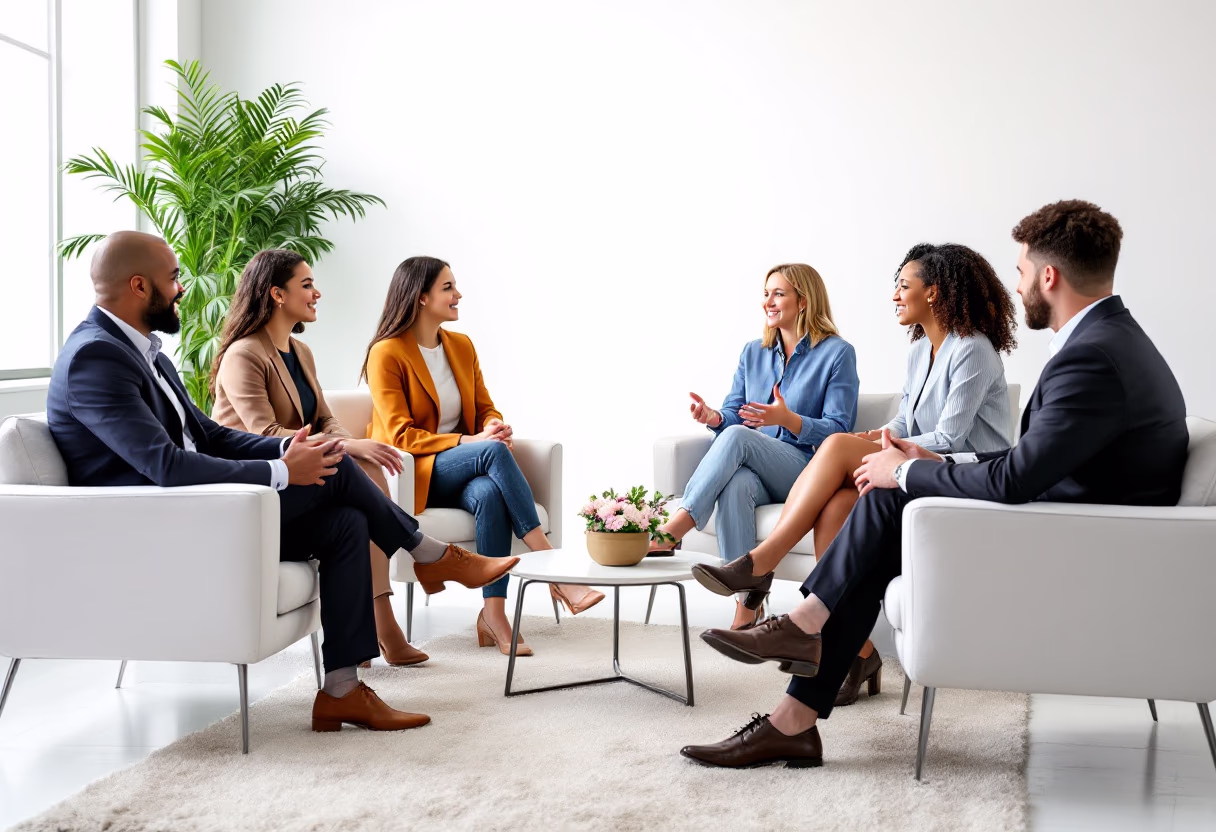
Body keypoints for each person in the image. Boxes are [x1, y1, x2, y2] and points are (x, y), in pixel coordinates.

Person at [681, 200, 1189, 769]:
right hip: (1071, 526)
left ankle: (799, 636)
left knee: (885, 494)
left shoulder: (1092, 357)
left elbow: (1019, 472)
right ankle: (793, 712)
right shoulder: (1108, 342)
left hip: (1068, 543)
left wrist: (907, 468)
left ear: (1050, 276)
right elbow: (1033, 462)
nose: (1017, 286)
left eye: (1021, 272)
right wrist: (906, 462)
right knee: (878, 504)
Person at [46, 231, 519, 733]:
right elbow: (164, 465)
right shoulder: (96, 358)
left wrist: (288, 452)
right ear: (139, 286)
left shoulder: (148, 353)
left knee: (345, 522)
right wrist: (281, 469)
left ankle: (342, 689)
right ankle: (428, 553)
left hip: (210, 509)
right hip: (164, 525)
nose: (182, 287)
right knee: (337, 478)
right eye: (173, 278)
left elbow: (208, 434)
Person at [690, 243, 1017, 703]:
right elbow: (907, 423)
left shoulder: (973, 350)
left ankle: (760, 564)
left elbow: (952, 437)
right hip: (916, 471)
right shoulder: (921, 350)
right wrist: (878, 436)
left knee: (837, 443)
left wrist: (876, 447)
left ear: (936, 293)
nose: (895, 296)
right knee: (836, 508)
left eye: (904, 286)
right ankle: (858, 652)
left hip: (961, 480)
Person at [362, 256, 604, 656]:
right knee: (490, 453)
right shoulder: (387, 353)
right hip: (418, 471)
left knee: (489, 495)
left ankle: (494, 616)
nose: (458, 295)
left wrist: (492, 427)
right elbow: (401, 434)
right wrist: (473, 442)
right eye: (448, 288)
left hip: (466, 467)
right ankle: (553, 570)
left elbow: (486, 407)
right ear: (421, 298)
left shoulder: (461, 345)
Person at [211, 249, 426, 667]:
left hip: (304, 478)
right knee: (356, 463)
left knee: (360, 486)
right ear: (277, 294)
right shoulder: (244, 355)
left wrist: (348, 444)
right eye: (307, 285)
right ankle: (395, 601)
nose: (317, 293)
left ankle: (376, 628)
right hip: (259, 489)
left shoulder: (300, 352)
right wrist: (347, 447)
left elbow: (325, 418)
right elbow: (266, 435)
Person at [651, 263, 860, 630]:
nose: (769, 301)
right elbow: (735, 416)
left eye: (778, 293)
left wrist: (788, 420)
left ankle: (675, 528)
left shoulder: (837, 353)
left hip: (809, 470)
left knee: (738, 440)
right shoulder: (753, 352)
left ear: (804, 301)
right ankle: (748, 607)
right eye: (766, 294)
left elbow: (839, 431)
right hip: (761, 468)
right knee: (737, 484)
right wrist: (714, 418)